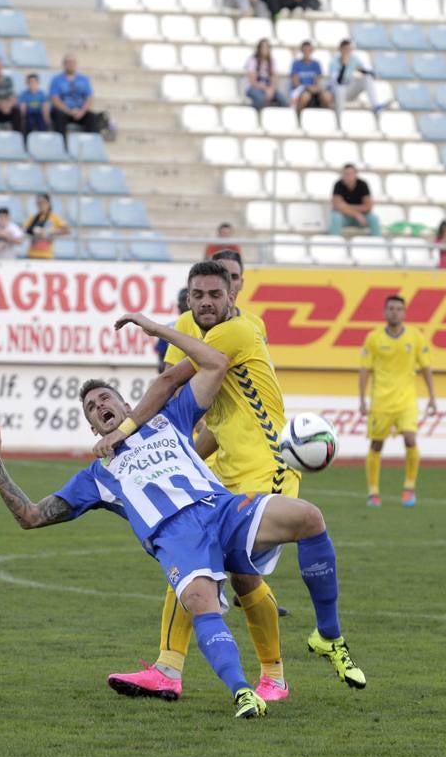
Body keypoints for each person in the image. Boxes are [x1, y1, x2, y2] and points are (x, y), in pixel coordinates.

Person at [0, 306, 364, 719]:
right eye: (91, 407)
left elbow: (215, 363)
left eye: (105, 397)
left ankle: (329, 636)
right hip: (177, 538)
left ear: (126, 404)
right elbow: (31, 516)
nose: (99, 405)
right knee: (200, 602)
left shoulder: (168, 419)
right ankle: (243, 692)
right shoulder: (98, 474)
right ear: (92, 427)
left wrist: (155, 328)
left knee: (309, 517)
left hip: (222, 509)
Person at [98, 258, 309, 702]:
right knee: (190, 558)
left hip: (265, 465)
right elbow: (185, 400)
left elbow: (172, 379)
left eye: (219, 291)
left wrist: (125, 432)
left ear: (235, 292)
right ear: (189, 295)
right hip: (223, 465)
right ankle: (167, 669)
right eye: (200, 294)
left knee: (240, 573)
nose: (208, 301)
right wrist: (173, 461)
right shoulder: (186, 327)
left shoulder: (240, 329)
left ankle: (273, 677)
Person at [359, 295, 438, 509]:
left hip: (406, 400)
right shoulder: (373, 338)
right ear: (385, 312)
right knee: (377, 444)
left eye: (399, 309)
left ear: (404, 313)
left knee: (411, 439)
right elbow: (365, 369)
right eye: (391, 308)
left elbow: (426, 367)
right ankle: (373, 492)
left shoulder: (415, 337)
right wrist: (362, 400)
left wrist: (432, 397)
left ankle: (409, 488)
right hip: (381, 401)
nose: (395, 312)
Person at [48, 53, 107, 139]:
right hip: (63, 111)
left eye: (73, 62)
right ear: (64, 64)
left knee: (92, 117)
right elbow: (55, 99)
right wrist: (68, 111)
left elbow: (89, 98)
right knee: (58, 115)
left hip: (80, 111)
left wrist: (82, 111)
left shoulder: (83, 79)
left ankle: (90, 144)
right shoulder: (57, 80)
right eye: (68, 62)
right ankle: (61, 145)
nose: (71, 64)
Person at [328, 38, 383, 117]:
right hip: (337, 93)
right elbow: (339, 81)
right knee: (341, 88)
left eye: (349, 49)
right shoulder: (333, 62)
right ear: (340, 49)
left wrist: (364, 71)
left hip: (350, 90)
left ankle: (376, 106)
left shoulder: (354, 59)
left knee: (367, 78)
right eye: (346, 49)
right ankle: (339, 117)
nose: (348, 51)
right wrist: (344, 65)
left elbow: (371, 73)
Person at [329, 163, 382, 236]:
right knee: (336, 218)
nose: (348, 176)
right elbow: (337, 206)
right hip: (345, 217)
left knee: (374, 219)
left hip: (362, 218)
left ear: (356, 174)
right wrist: (356, 214)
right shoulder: (338, 184)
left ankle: (377, 243)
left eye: (351, 173)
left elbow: (368, 207)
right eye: (346, 174)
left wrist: (345, 206)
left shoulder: (363, 184)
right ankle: (334, 243)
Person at [289, 40, 332, 115]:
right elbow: (296, 83)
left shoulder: (316, 64)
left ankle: (325, 117)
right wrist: (307, 87)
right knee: (305, 96)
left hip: (314, 91)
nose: (307, 52)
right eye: (305, 50)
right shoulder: (296, 64)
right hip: (302, 90)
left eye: (309, 50)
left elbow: (317, 82)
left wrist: (315, 88)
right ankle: (298, 118)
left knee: (327, 97)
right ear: (302, 51)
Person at [23, 193, 70, 260]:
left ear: (48, 203)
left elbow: (67, 230)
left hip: (47, 255)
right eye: (38, 203)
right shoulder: (33, 218)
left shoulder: (54, 217)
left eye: (43, 203)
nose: (40, 205)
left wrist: (50, 231)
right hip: (32, 254)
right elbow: (24, 230)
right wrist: (35, 232)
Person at [243, 38, 284, 110]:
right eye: (263, 47)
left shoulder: (272, 61)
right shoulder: (253, 60)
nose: (265, 49)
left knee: (283, 100)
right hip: (254, 88)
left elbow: (275, 78)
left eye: (267, 47)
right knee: (260, 99)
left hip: (268, 88)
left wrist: (271, 89)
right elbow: (253, 82)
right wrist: (266, 89)